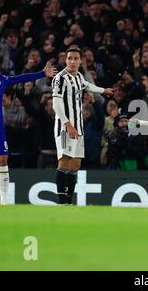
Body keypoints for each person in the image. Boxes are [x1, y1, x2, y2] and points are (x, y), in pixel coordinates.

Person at [0, 53, 57, 204]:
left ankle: (4, 201)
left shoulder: (1, 79)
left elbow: (21, 78)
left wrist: (42, 73)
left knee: (3, 160)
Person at [52, 48, 114, 205]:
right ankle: (61, 200)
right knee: (65, 160)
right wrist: (67, 124)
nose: (72, 61)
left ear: (80, 61)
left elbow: (88, 86)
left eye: (75, 58)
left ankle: (69, 199)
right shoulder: (60, 78)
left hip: (78, 127)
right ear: (66, 60)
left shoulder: (79, 76)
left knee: (76, 164)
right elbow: (56, 104)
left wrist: (104, 90)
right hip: (65, 127)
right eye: (69, 58)